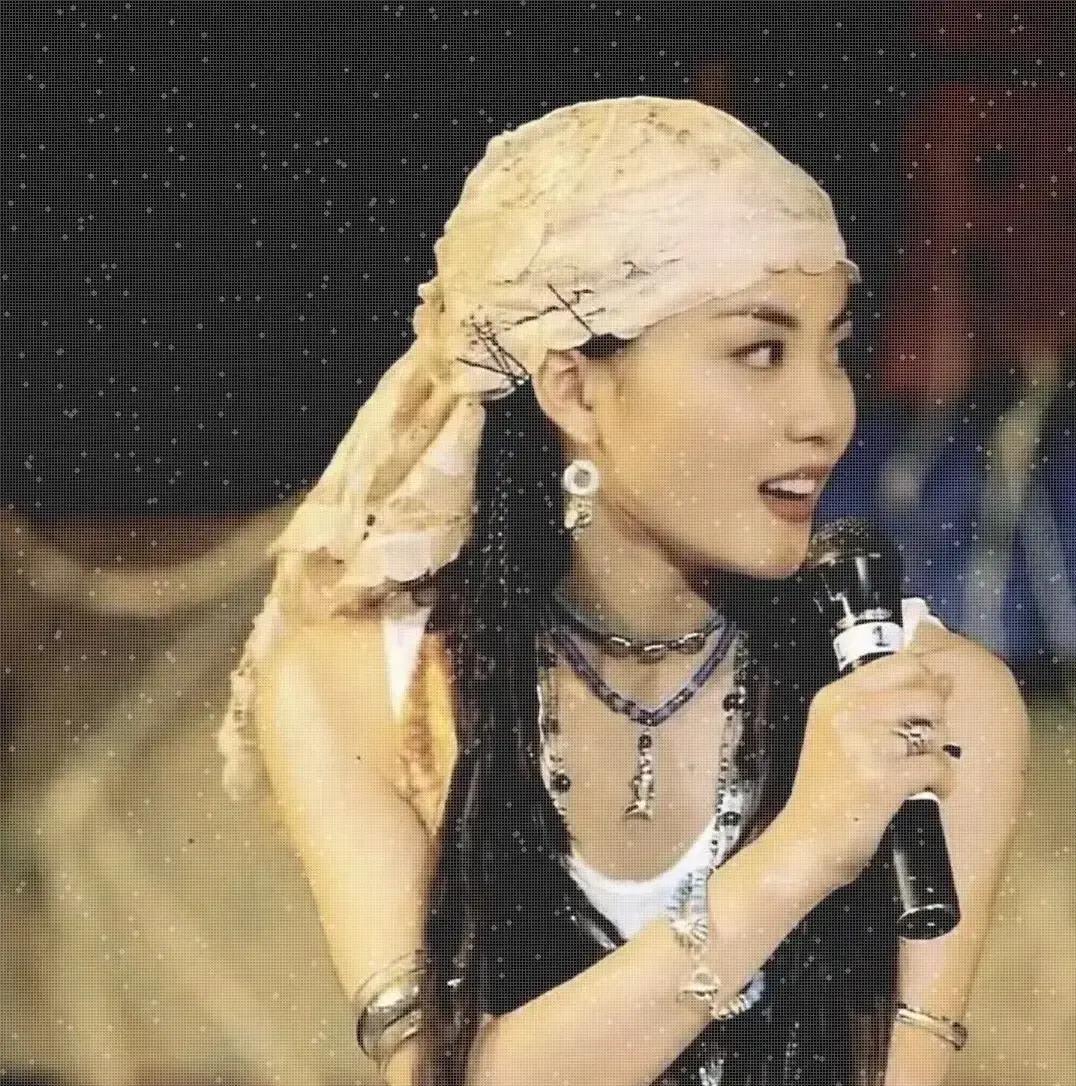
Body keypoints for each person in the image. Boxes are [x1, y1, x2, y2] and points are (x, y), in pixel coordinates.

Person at [216, 97, 1029, 1086]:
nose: (824, 413)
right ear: (573, 390)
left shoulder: (933, 702)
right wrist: (801, 852)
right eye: (760, 351)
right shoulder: (362, 686)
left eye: (834, 349)